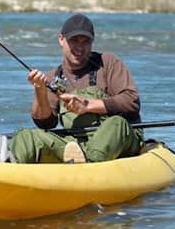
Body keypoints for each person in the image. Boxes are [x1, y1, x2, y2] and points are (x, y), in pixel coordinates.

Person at [10, 14, 144, 163]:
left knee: (116, 123)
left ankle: (88, 163)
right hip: (75, 145)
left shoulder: (108, 63)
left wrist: (87, 105)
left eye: (85, 42)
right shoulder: (53, 77)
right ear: (61, 39)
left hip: (119, 140)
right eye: (74, 40)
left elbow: (131, 101)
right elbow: (46, 123)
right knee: (25, 136)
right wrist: (40, 91)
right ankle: (14, 169)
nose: (80, 47)